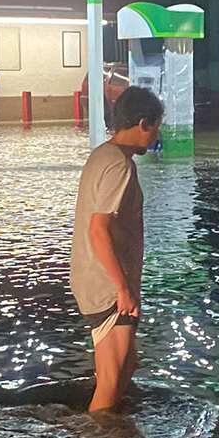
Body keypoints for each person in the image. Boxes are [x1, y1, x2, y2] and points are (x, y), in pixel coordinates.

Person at [71, 85, 162, 413]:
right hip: (107, 286)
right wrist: (122, 288)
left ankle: (116, 436)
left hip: (95, 279)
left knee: (128, 365)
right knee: (111, 380)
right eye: (156, 126)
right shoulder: (120, 167)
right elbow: (98, 230)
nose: (156, 135)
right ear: (143, 123)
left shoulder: (102, 155)